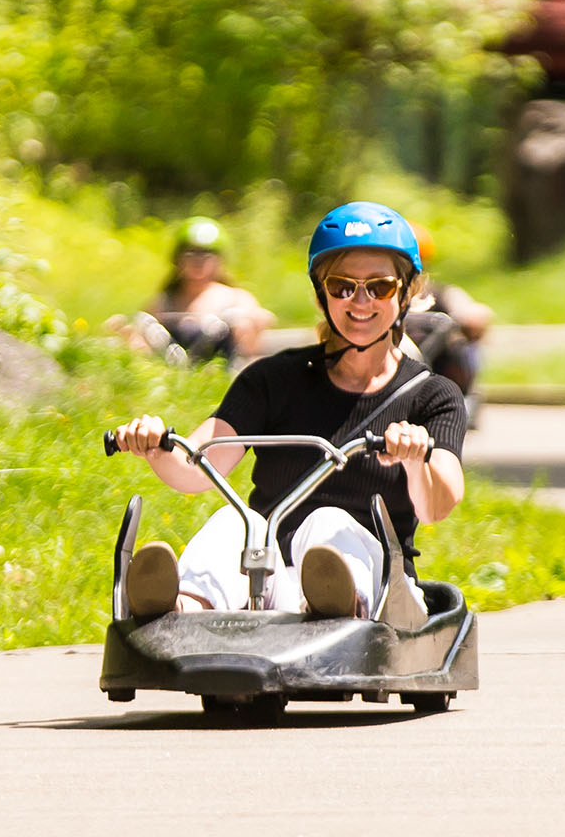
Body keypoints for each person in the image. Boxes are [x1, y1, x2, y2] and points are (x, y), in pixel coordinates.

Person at [110, 202, 467, 619]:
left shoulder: (431, 395)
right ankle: (177, 608)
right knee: (235, 523)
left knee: (327, 522)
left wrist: (413, 460)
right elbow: (197, 466)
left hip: (379, 585)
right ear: (322, 294)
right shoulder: (273, 380)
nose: (360, 301)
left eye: (380, 287)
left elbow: (437, 506)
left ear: (407, 292)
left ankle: (335, 604)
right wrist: (157, 445)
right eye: (342, 287)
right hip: (273, 580)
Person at [117, 217, 273, 365]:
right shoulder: (164, 302)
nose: (198, 263)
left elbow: (253, 343)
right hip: (175, 376)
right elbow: (145, 350)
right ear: (177, 259)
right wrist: (129, 335)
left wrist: (253, 323)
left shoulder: (236, 298)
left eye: (206, 256)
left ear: (219, 261)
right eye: (190, 255)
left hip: (223, 376)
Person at [401, 226, 494, 420]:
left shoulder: (439, 293)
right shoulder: (380, 294)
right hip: (395, 357)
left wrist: (468, 318)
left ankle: (462, 397)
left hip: (435, 362)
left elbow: (475, 312)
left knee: (464, 347)